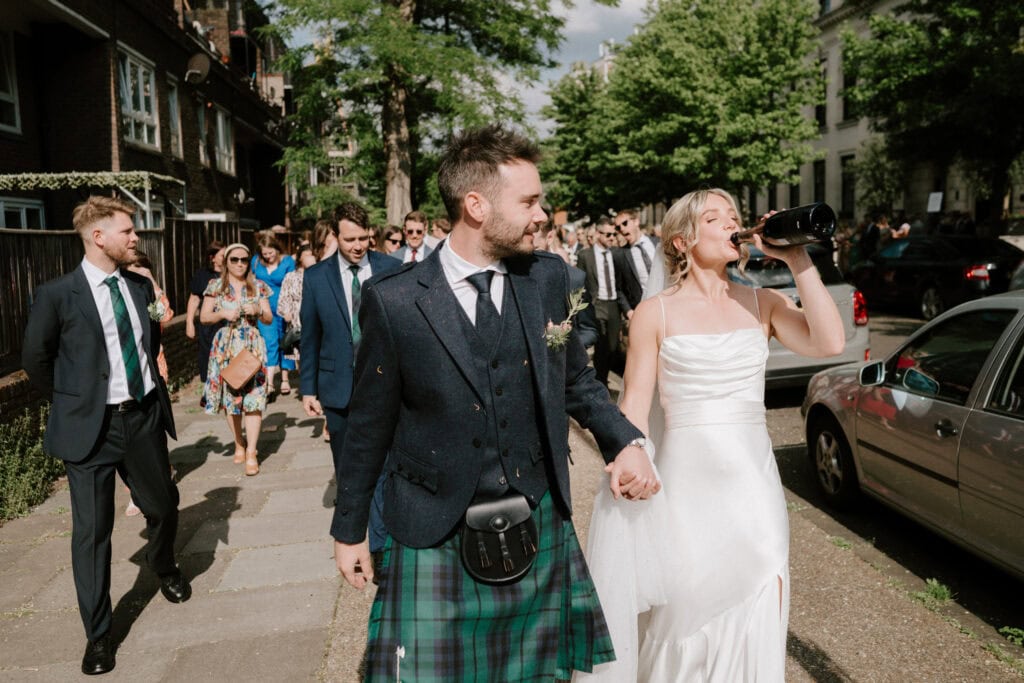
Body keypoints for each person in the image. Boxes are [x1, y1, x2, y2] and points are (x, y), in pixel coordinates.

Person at [331, 124, 658, 681]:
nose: (541, 215)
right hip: (434, 526)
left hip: (536, 514)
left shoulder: (547, 278)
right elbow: (368, 425)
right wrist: (350, 528)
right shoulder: (395, 301)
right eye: (529, 201)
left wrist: (623, 439)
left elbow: (576, 381)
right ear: (475, 205)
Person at [578, 188, 844, 681]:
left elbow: (829, 340)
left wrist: (798, 258)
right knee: (685, 613)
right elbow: (633, 403)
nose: (732, 225)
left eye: (734, 217)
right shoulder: (654, 314)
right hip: (685, 489)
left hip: (754, 487)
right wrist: (625, 456)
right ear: (681, 241)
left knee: (762, 588)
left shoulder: (762, 303)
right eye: (716, 218)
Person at [22, 196, 189, 676]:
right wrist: (76, 400)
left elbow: (149, 342)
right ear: (98, 236)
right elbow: (37, 359)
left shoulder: (138, 286)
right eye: (127, 231)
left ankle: (164, 565)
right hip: (89, 430)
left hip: (141, 419)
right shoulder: (57, 294)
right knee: (92, 535)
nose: (135, 237)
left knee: (163, 506)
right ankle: (98, 635)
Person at [299, 201, 401, 533]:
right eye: (349, 240)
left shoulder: (390, 267)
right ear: (336, 237)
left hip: (385, 384)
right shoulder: (316, 278)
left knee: (388, 463)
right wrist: (308, 389)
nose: (357, 246)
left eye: (363, 238)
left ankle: (382, 539)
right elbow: (310, 336)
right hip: (337, 386)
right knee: (347, 467)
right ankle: (354, 532)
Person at [201, 243, 273, 476]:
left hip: (252, 346)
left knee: (254, 400)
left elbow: (270, 318)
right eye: (235, 260)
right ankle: (239, 443)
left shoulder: (258, 286)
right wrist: (222, 313)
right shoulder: (215, 286)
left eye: (244, 259)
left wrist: (258, 312)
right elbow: (203, 317)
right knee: (232, 402)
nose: (240, 264)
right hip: (227, 347)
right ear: (226, 262)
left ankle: (251, 451)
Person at [123, 251, 174, 517]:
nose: (136, 271)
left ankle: (162, 471)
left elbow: (163, 317)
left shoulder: (148, 290)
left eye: (140, 267)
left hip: (154, 366)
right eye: (132, 267)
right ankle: (135, 490)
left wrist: (151, 283)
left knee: (155, 425)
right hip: (127, 373)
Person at [576, 216, 625, 386]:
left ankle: (604, 378)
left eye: (613, 234)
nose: (612, 238)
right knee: (601, 346)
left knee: (612, 347)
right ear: (598, 234)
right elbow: (580, 284)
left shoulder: (617, 255)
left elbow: (620, 282)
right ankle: (601, 383)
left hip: (613, 305)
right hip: (596, 305)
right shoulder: (585, 256)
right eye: (608, 235)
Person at [251, 231, 296, 395]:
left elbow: (292, 285)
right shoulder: (256, 262)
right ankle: (269, 383)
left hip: (284, 309)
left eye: (270, 253)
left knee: (286, 343)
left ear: (277, 249)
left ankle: (285, 378)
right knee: (269, 342)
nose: (268, 257)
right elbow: (251, 281)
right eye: (264, 254)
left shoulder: (288, 261)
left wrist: (291, 309)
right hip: (265, 310)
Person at [185, 240, 226, 404]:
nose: (226, 258)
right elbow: (194, 299)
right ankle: (208, 390)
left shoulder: (231, 274)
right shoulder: (203, 275)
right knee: (207, 356)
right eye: (222, 255)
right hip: (208, 324)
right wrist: (189, 322)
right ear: (212, 258)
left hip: (227, 323)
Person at [276, 242, 316, 377]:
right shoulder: (291, 276)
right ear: (300, 258)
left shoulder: (319, 275)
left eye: (312, 255)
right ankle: (304, 378)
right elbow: (284, 295)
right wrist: (286, 311)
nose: (310, 258)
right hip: (297, 316)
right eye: (307, 255)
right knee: (299, 350)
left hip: (315, 315)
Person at [613, 207, 660, 320]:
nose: (622, 229)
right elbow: (618, 288)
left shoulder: (658, 242)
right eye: (618, 227)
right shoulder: (621, 255)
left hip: (668, 303)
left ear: (636, 221)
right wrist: (628, 311)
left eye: (625, 223)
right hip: (643, 310)